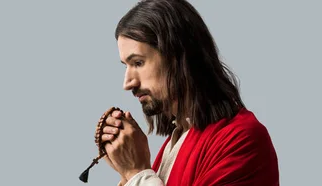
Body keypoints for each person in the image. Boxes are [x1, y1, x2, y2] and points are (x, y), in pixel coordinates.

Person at [99, 0, 280, 185]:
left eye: (138, 63)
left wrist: (136, 173)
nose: (127, 83)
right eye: (126, 66)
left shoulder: (241, 140)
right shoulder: (175, 143)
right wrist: (127, 175)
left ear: (177, 57)